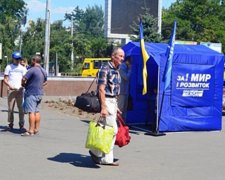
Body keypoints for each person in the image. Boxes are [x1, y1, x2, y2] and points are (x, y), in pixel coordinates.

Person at [89, 47, 125, 166]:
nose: (122, 59)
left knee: (106, 128)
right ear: (113, 56)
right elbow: (101, 89)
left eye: (123, 57)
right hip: (106, 101)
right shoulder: (105, 69)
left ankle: (97, 153)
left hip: (112, 102)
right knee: (113, 129)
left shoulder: (116, 70)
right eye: (120, 56)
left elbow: (114, 90)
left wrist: (116, 106)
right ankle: (102, 157)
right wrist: (104, 107)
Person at [21, 55, 47, 136]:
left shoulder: (32, 70)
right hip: (39, 93)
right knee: (37, 111)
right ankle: (36, 129)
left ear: (34, 60)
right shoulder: (43, 71)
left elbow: (24, 79)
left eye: (32, 60)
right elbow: (46, 82)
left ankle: (30, 130)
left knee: (31, 112)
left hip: (31, 93)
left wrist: (23, 85)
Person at [3, 51, 27, 130]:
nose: (18, 60)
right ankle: (11, 122)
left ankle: (21, 123)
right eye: (16, 59)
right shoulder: (9, 67)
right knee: (10, 108)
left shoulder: (22, 68)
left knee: (21, 108)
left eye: (19, 59)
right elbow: (5, 79)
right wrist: (9, 85)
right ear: (13, 59)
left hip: (20, 90)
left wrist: (23, 86)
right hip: (11, 90)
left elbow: (25, 79)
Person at [118, 56, 132, 120]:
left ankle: (123, 122)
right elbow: (126, 77)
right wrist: (130, 69)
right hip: (121, 91)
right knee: (121, 107)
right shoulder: (122, 67)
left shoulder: (125, 67)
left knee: (125, 108)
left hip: (125, 91)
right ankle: (119, 122)